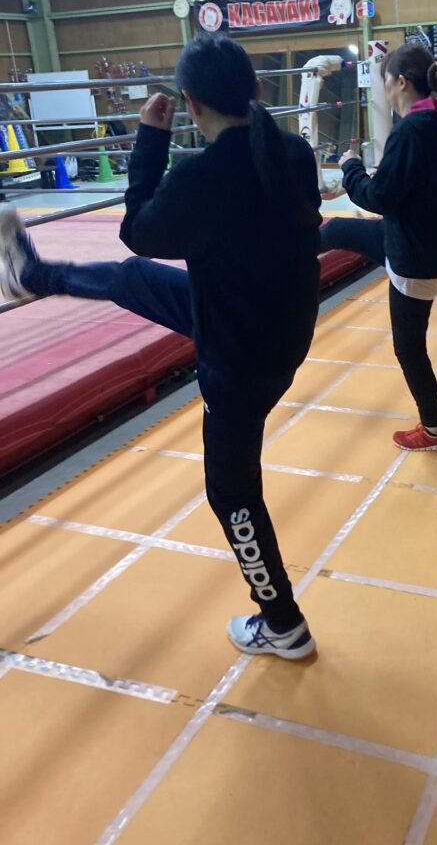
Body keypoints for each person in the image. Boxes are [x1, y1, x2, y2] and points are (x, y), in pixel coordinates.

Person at [0, 34, 322, 661]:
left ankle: (283, 623)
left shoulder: (203, 175)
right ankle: (32, 275)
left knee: (232, 495)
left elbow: (140, 230)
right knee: (134, 281)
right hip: (272, 324)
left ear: (190, 103)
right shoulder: (293, 152)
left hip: (239, 358)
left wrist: (148, 140)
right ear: (256, 90)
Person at [319, 43, 437, 451]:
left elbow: (379, 196)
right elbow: (407, 182)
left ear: (400, 82)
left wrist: (350, 167)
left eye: (385, 83)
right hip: (422, 240)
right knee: (335, 230)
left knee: (408, 349)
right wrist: (352, 183)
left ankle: (434, 431)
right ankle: (278, 260)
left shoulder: (411, 130)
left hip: (415, 258)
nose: (385, 92)